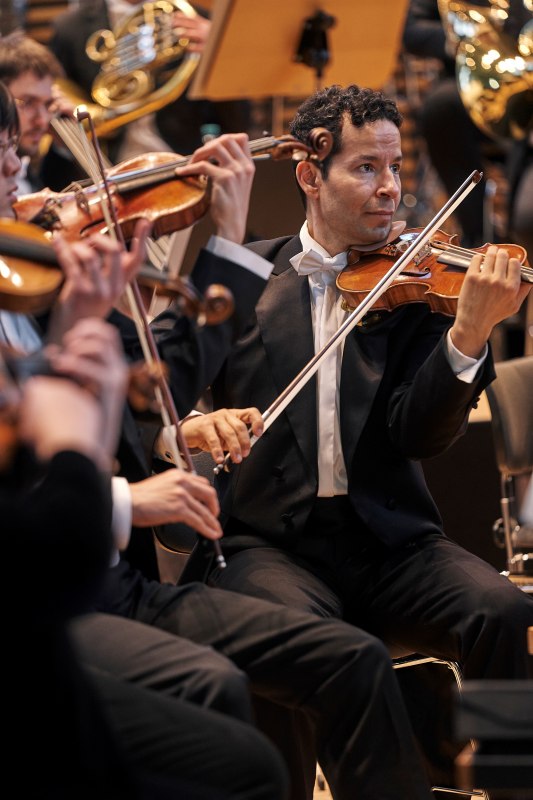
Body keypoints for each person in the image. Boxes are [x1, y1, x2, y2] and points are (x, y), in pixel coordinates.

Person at [0, 81, 438, 799]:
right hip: (65, 591)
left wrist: (158, 414)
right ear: (310, 178)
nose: (29, 185)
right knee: (226, 714)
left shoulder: (33, 283)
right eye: (4, 158)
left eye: (17, 154)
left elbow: (150, 391)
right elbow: (46, 493)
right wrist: (125, 496)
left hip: (124, 581)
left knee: (351, 660)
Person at [173, 83, 533, 796]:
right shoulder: (245, 279)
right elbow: (166, 401)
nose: (389, 189)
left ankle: (511, 781)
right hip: (269, 545)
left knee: (504, 610)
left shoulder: (422, 283)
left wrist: (467, 333)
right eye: (365, 169)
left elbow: (419, 435)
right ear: (310, 174)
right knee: (320, 646)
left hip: (389, 543)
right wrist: (190, 426)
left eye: (395, 169)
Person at [49, 0, 251, 163]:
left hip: (184, 165)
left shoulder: (197, 22)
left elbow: (239, 122)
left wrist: (222, 56)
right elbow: (56, 106)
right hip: (106, 171)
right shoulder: (70, 27)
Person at [0, 30, 85, 192]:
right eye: (29, 103)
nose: (42, 120)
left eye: (48, 104)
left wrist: (63, 146)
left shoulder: (24, 169)